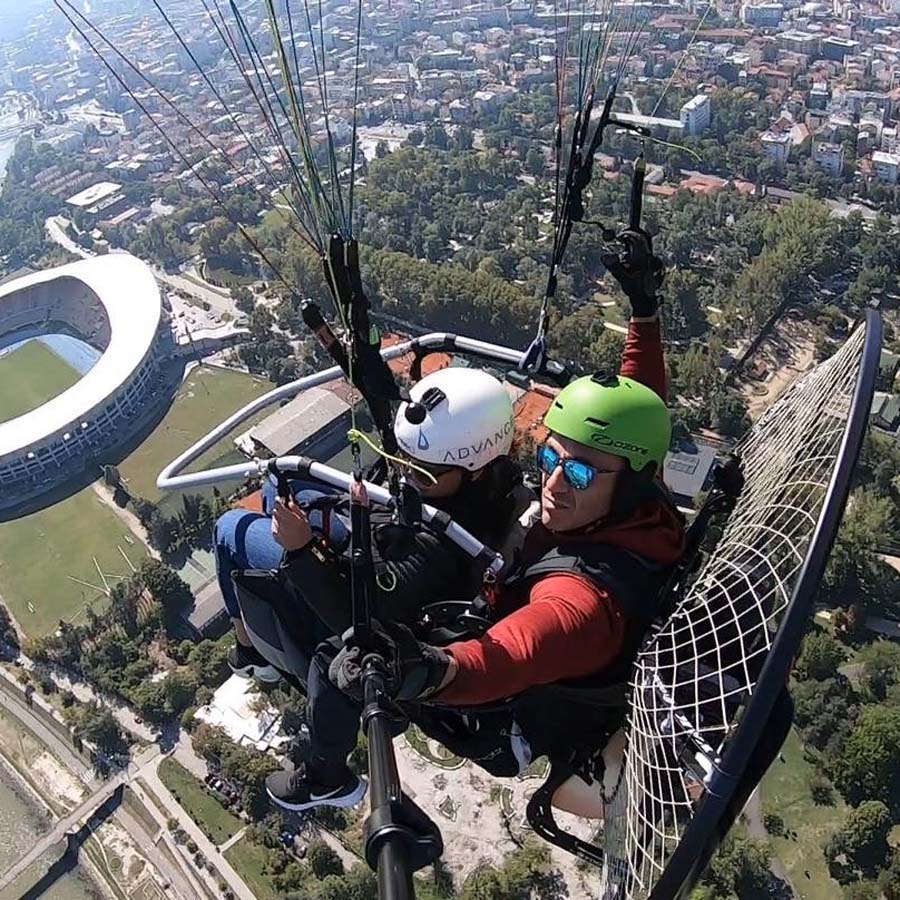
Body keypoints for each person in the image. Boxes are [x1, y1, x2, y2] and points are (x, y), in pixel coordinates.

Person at [267, 229, 686, 810]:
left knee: (334, 659)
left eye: (580, 474)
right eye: (549, 457)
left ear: (628, 479)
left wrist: (422, 672)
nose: (556, 482)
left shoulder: (580, 601)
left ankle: (324, 778)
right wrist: (644, 311)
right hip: (501, 633)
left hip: (495, 719)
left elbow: (513, 652)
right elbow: (638, 407)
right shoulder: (638, 498)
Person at [213, 365, 530, 684]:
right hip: (368, 538)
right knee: (278, 484)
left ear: (475, 470)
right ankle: (278, 543)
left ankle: (250, 653)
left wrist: (302, 550)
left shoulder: (441, 544)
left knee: (228, 529)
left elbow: (359, 621)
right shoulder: (492, 484)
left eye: (421, 472)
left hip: (345, 593)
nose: (406, 476)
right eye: (400, 459)